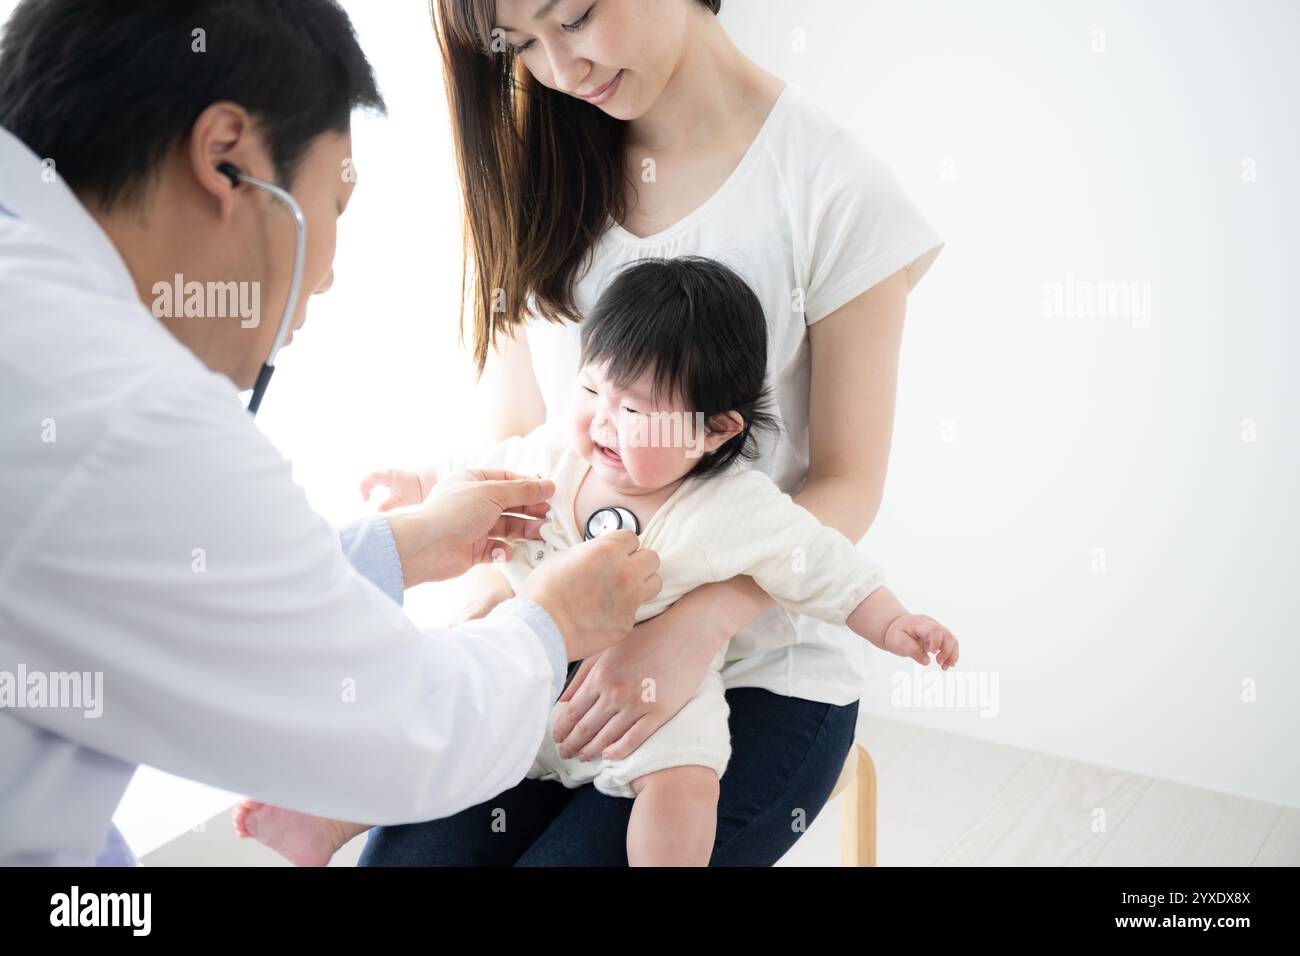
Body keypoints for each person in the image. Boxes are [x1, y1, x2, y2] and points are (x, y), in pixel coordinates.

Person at [0, 0, 658, 866]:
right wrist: (549, 625)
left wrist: (404, 546)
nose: (332, 271)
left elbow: (184, 587)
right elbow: (407, 728)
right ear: (226, 158)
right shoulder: (123, 412)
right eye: (334, 205)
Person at [357, 0, 946, 865]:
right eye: (522, 44)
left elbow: (847, 482)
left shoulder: (834, 189)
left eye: (576, 17)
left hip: (751, 675)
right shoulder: (541, 167)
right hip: (553, 636)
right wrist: (498, 595)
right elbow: (521, 433)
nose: (558, 69)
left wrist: (694, 624)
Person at [236, 257, 960, 867]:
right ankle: (327, 821)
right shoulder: (553, 457)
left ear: (715, 431)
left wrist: (894, 622)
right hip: (537, 678)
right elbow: (478, 473)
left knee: (684, 780)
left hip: (654, 702)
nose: (601, 421)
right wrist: (418, 491)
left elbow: (822, 563)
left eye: (637, 412)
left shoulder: (734, 506)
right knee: (436, 725)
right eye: (590, 390)